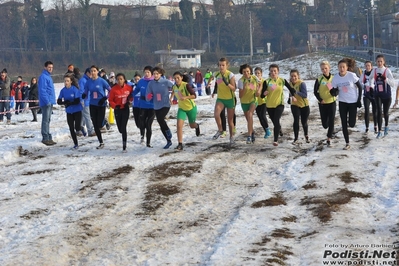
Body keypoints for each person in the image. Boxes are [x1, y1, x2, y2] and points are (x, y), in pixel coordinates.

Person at [330, 58, 363, 150]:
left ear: (347, 67)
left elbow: (360, 87)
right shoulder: (336, 78)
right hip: (342, 102)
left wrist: (359, 100)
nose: (341, 69)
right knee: (343, 123)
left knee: (351, 124)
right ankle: (347, 143)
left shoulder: (351, 75)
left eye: (343, 67)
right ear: (338, 68)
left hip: (352, 102)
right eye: (340, 67)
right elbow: (334, 90)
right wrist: (333, 92)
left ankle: (354, 116)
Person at [260, 64, 296, 146]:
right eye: (271, 71)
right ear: (269, 72)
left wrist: (293, 95)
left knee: (276, 120)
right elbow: (262, 95)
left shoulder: (282, 80)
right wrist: (264, 93)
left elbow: (291, 89)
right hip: (269, 106)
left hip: (279, 104)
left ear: (278, 71)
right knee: (276, 123)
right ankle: (279, 129)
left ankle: (275, 140)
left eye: (275, 71)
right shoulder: (267, 82)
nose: (273, 72)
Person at [169, 71, 200, 151]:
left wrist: (185, 97)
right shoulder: (175, 86)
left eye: (178, 78)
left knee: (191, 125)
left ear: (181, 78)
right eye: (175, 78)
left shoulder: (186, 85)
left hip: (191, 108)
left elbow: (194, 96)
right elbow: (173, 91)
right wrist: (171, 98)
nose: (176, 80)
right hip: (182, 109)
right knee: (179, 126)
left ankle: (197, 126)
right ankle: (180, 144)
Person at [82, 65, 111, 149]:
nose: (93, 72)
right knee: (95, 124)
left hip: (101, 104)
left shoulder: (102, 81)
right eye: (91, 71)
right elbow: (86, 91)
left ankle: (104, 121)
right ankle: (101, 142)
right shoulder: (88, 82)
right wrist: (84, 95)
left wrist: (105, 97)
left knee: (99, 124)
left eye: (94, 71)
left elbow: (110, 90)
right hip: (92, 104)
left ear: (97, 71)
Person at [209, 57, 236, 145]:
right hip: (220, 99)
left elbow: (234, 88)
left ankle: (231, 137)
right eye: (220, 65)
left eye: (223, 65)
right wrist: (208, 84)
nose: (221, 67)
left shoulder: (230, 75)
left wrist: (227, 83)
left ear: (227, 66)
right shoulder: (216, 74)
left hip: (230, 99)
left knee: (230, 120)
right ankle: (220, 130)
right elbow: (211, 77)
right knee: (216, 114)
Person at [146, 66, 174, 149]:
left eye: (157, 74)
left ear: (160, 74)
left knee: (161, 118)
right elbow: (148, 96)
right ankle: (168, 141)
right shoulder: (151, 83)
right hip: (156, 105)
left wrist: (172, 97)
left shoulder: (165, 82)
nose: (155, 75)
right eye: (154, 74)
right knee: (160, 122)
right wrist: (149, 96)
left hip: (165, 104)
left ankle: (168, 131)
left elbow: (175, 88)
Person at [369, 54, 396, 138]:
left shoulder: (387, 71)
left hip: (387, 95)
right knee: (379, 112)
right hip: (378, 94)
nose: (379, 63)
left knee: (385, 112)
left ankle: (386, 126)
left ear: (384, 62)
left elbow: (393, 84)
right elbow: (370, 79)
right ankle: (379, 131)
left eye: (381, 61)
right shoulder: (374, 71)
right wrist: (371, 86)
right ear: (376, 62)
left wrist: (386, 79)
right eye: (378, 61)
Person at [57, 74, 83, 149]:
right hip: (69, 112)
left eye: (67, 81)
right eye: (65, 81)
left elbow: (77, 101)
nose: (66, 82)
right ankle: (76, 144)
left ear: (71, 81)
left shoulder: (74, 89)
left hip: (77, 110)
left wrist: (70, 103)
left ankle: (81, 128)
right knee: (71, 128)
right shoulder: (63, 90)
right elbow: (59, 101)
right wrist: (64, 103)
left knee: (77, 127)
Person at [313, 61, 336, 147]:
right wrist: (320, 99)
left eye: (326, 68)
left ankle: (329, 138)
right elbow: (315, 91)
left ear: (329, 68)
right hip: (322, 103)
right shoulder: (319, 79)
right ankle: (328, 128)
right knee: (325, 124)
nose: (324, 70)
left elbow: (336, 90)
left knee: (332, 121)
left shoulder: (334, 78)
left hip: (332, 102)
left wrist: (333, 91)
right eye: (322, 69)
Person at [108, 73, 133, 152]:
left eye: (121, 79)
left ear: (124, 79)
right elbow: (110, 100)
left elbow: (131, 96)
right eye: (118, 79)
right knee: (120, 129)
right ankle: (122, 133)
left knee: (124, 127)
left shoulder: (129, 88)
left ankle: (124, 146)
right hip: (117, 109)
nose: (119, 81)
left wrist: (129, 102)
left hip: (125, 109)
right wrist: (115, 106)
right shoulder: (114, 89)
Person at [238, 63, 261, 144]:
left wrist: (258, 91)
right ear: (242, 72)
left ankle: (249, 136)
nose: (246, 73)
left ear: (250, 71)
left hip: (253, 100)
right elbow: (240, 96)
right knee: (249, 120)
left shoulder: (254, 78)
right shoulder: (241, 81)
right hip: (244, 102)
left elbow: (260, 83)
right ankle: (252, 132)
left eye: (247, 71)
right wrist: (244, 88)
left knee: (250, 115)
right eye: (244, 72)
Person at [133, 65, 155, 147]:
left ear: (151, 73)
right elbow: (136, 90)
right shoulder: (141, 81)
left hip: (152, 106)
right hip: (142, 105)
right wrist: (130, 96)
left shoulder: (154, 81)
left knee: (148, 124)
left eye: (148, 72)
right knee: (141, 123)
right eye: (145, 72)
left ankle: (148, 142)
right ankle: (142, 135)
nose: (146, 74)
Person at [288, 69, 310, 145]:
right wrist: (290, 97)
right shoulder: (290, 84)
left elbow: (305, 95)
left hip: (304, 106)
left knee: (304, 122)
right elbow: (290, 93)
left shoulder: (301, 83)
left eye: (295, 76)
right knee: (296, 119)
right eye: (292, 76)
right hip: (295, 105)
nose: (293, 78)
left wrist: (296, 92)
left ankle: (306, 135)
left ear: (298, 76)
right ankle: (296, 138)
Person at [38, 61, 57, 146]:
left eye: (52, 67)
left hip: (50, 101)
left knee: (48, 120)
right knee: (45, 120)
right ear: (45, 67)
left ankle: (48, 136)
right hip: (46, 102)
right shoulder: (43, 77)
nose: (51, 69)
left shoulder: (48, 77)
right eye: (49, 67)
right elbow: (42, 90)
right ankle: (45, 137)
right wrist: (47, 101)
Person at [359, 61, 377, 134]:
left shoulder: (374, 73)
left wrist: (373, 87)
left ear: (371, 66)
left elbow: (378, 82)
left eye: (369, 66)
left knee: (374, 111)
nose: (367, 67)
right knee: (366, 110)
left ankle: (376, 126)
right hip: (366, 95)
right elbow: (360, 82)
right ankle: (367, 127)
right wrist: (364, 86)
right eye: (366, 66)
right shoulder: (363, 74)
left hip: (374, 95)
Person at [254, 67, 271, 139]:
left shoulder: (265, 82)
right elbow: (250, 91)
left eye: (258, 73)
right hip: (257, 102)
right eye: (256, 73)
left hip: (264, 101)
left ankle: (268, 130)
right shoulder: (253, 83)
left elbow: (272, 88)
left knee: (263, 115)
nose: (257, 75)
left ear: (261, 74)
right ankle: (266, 131)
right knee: (260, 118)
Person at [78, 68, 95, 137]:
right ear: (87, 73)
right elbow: (81, 91)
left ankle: (80, 127)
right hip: (85, 101)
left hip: (90, 100)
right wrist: (82, 100)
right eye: (90, 73)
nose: (91, 74)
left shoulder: (89, 80)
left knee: (85, 116)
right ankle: (90, 131)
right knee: (87, 116)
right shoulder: (83, 80)